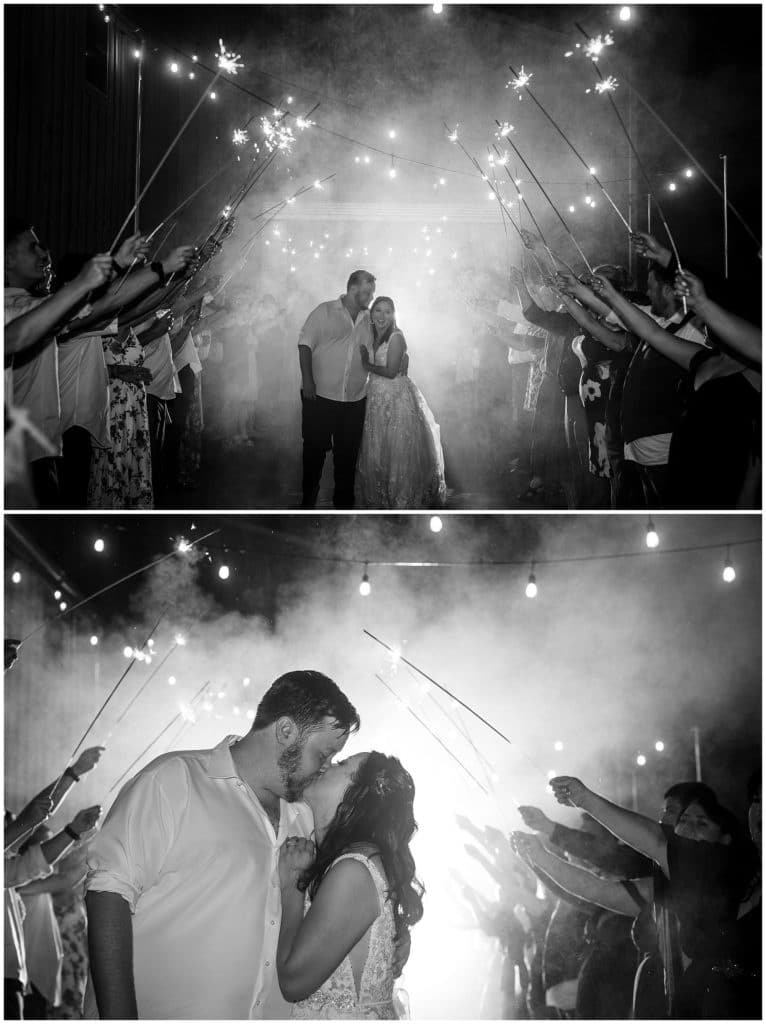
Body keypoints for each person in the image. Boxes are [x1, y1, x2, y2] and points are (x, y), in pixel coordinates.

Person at [84, 670, 359, 1020]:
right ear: (286, 730)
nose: (325, 768)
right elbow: (108, 891)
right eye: (323, 755)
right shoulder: (174, 779)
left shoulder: (304, 817)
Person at [549, 774, 759, 1018]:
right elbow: (596, 891)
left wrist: (580, 802)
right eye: (757, 799)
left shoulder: (727, 874)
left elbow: (651, 842)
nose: (676, 825)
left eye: (701, 823)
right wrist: (537, 856)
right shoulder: (661, 883)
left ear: (725, 840)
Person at [276, 750, 424, 1017]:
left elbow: (293, 982)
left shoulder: (354, 870)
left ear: (359, 796)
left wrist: (292, 886)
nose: (327, 764)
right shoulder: (347, 861)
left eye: (341, 764)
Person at [356, 297, 446, 508]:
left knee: (398, 450)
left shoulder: (396, 337)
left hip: (395, 397)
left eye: (388, 312)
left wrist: (366, 364)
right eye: (378, 311)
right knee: (376, 448)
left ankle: (400, 499)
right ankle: (380, 498)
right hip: (376, 396)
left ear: (394, 314)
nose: (382, 316)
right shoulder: (370, 335)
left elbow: (391, 371)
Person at [298, 271, 375, 508]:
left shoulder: (370, 318)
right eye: (368, 292)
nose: (371, 297)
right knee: (314, 450)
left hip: (354, 399)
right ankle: (308, 499)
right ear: (353, 289)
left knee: (347, 454)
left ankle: (343, 503)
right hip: (320, 395)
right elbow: (305, 345)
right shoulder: (325, 311)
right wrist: (308, 381)